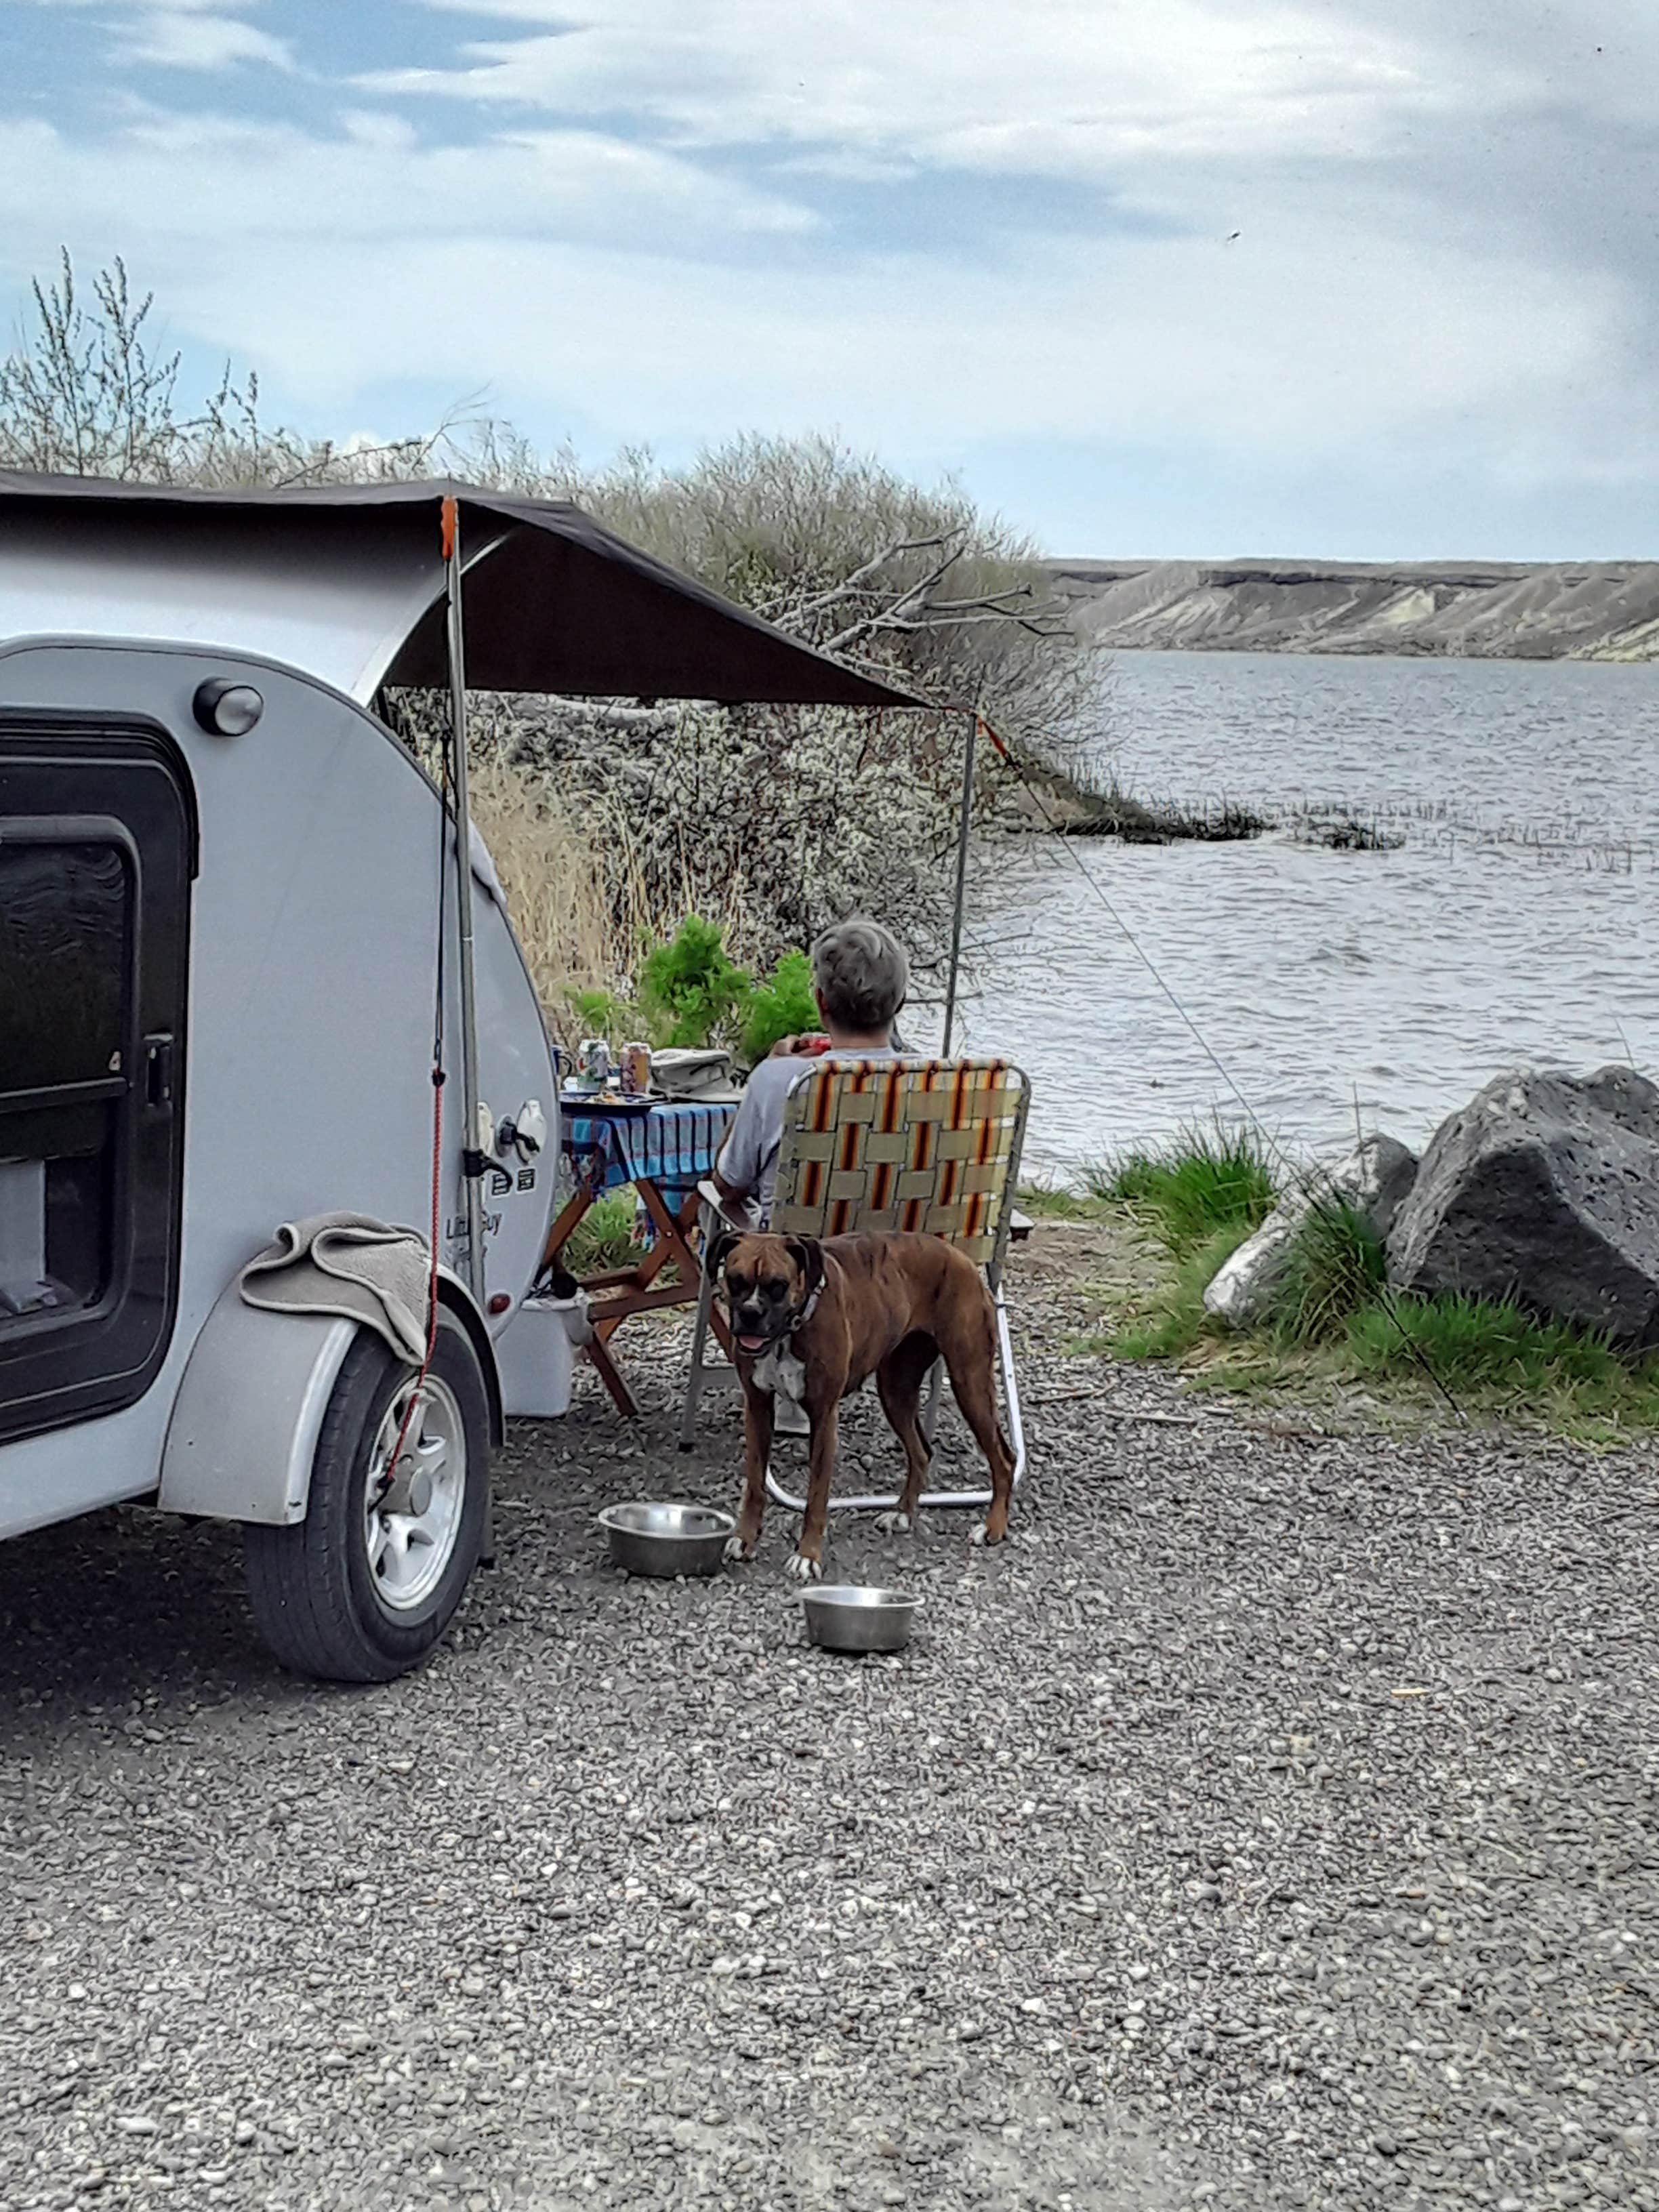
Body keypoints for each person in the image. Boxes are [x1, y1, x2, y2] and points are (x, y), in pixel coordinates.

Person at [712, 916, 909, 1231]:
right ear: (900, 1002)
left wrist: (766, 1071)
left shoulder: (780, 1080)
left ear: (821, 1003)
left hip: (804, 1272)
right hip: (910, 1273)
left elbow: (728, 1185)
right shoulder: (939, 1083)